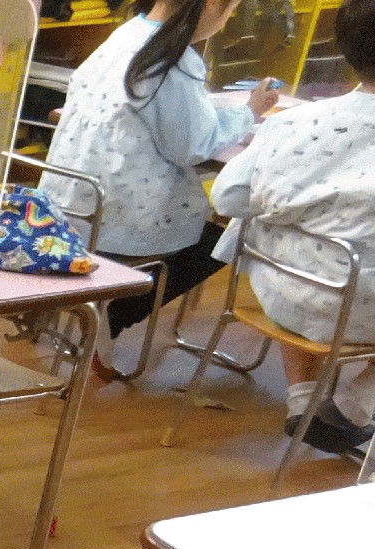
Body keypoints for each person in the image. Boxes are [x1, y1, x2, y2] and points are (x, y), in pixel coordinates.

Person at [43, 0, 278, 371]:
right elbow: (194, 145)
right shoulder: (172, 60)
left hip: (67, 207)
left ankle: (103, 313)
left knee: (205, 224)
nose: (227, 20)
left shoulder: (124, 36)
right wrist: (249, 112)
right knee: (222, 240)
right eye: (230, 11)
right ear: (211, 5)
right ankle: (112, 316)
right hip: (116, 220)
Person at [210, 0, 375, 454]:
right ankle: (355, 404)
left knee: (294, 236)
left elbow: (228, 197)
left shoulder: (293, 122)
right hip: (362, 305)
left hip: (282, 292)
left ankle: (304, 401)